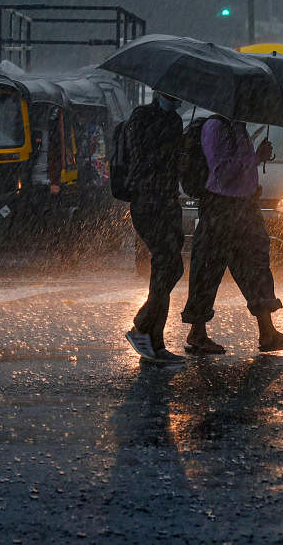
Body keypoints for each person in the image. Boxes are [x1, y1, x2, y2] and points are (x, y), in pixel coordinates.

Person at [181, 114, 283, 354]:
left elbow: (240, 165)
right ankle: (197, 332)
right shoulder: (216, 127)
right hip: (221, 207)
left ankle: (267, 332)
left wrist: (257, 158)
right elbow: (221, 170)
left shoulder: (239, 128)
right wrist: (255, 157)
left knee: (256, 266)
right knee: (208, 268)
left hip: (246, 206)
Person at [122, 92, 188, 365]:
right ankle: (145, 330)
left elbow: (174, 164)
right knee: (167, 263)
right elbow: (143, 153)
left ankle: (151, 335)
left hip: (169, 201)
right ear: (159, 93)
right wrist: (172, 144)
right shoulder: (141, 116)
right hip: (147, 202)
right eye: (172, 96)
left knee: (170, 267)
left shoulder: (174, 120)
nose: (176, 101)